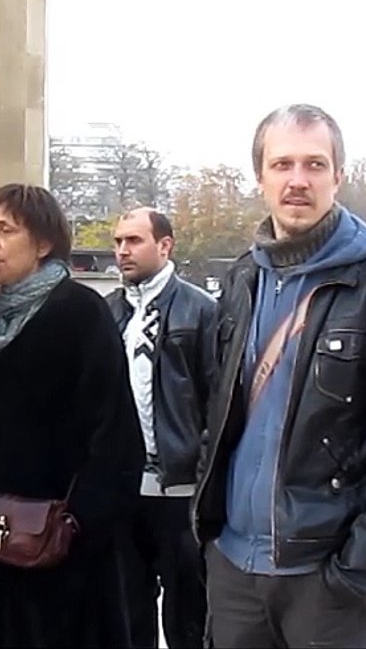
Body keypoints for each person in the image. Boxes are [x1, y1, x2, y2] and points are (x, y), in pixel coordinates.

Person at [192, 104, 366, 648]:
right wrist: (209, 537)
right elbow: (216, 418)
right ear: (260, 177)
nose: (298, 180)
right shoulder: (241, 282)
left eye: (314, 164)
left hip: (326, 582)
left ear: (339, 176)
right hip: (234, 573)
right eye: (282, 164)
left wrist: (361, 570)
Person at [0, 183, 144, 648]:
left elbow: (115, 432)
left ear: (43, 244)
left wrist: (81, 524)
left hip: (58, 541)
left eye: (7, 230)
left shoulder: (80, 311)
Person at [105, 208, 216, 649]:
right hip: (123, 491)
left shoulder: (201, 310)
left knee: (188, 616)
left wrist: (203, 471)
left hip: (182, 493)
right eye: (118, 241)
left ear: (165, 245)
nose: (122, 251)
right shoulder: (109, 310)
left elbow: (219, 400)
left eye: (134, 240)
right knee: (128, 614)